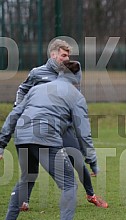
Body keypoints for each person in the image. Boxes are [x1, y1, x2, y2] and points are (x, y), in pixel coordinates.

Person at [0, 61, 95, 220]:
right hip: (45, 138)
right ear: (77, 77)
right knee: (69, 184)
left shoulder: (37, 89)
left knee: (27, 177)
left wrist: (2, 142)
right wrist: (92, 159)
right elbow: (83, 132)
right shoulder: (75, 95)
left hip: (21, 137)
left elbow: (14, 114)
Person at [15, 39, 107, 210]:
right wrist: (18, 109)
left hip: (62, 127)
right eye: (64, 55)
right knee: (30, 167)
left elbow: (75, 98)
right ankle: (23, 201)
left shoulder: (68, 74)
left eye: (68, 55)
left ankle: (91, 194)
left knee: (77, 158)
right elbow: (22, 90)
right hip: (39, 126)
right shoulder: (37, 73)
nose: (66, 58)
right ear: (53, 54)